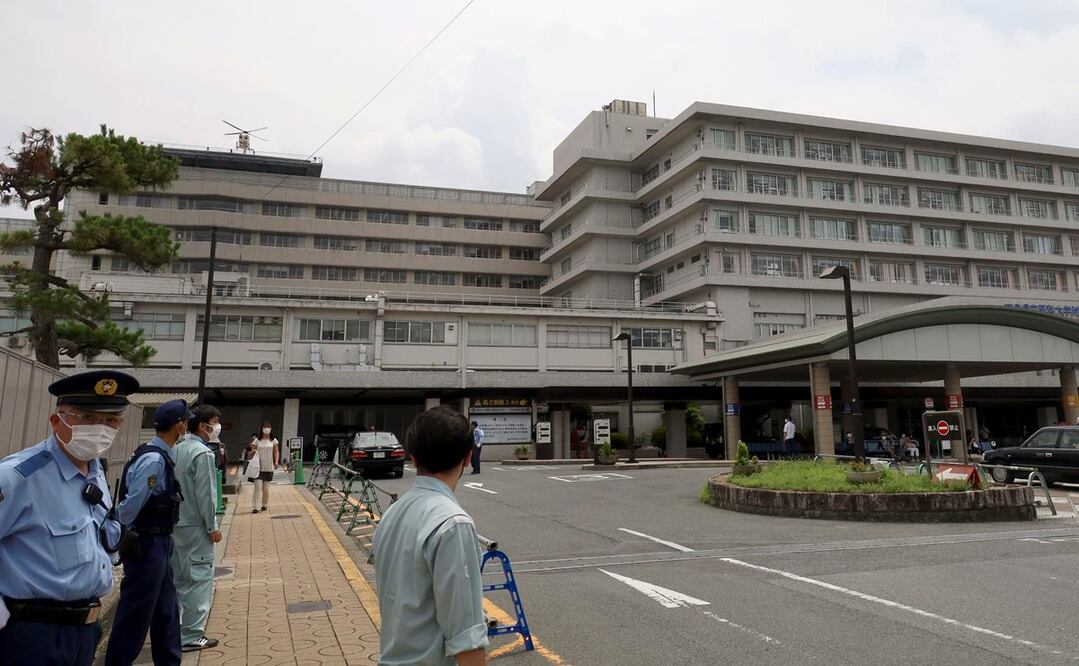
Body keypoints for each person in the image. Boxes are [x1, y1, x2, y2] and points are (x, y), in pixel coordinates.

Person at [0, 370, 137, 666]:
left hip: (85, 630)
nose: (101, 428)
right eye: (88, 418)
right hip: (30, 635)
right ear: (56, 421)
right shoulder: (18, 477)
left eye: (111, 420)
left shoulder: (95, 472)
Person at [373, 406, 488, 665]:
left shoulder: (393, 514)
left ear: (413, 459)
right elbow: (466, 638)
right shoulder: (453, 524)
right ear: (468, 457)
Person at [104, 400, 190, 666]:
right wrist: (117, 535)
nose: (187, 426)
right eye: (186, 422)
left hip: (160, 541)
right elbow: (133, 502)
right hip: (147, 543)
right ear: (178, 426)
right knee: (137, 611)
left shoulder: (157, 453)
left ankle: (169, 660)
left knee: (166, 610)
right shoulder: (154, 459)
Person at [170, 405, 223, 652]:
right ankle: (191, 634)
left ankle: (175, 630)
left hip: (175, 525)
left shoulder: (176, 450)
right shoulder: (203, 454)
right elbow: (207, 495)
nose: (217, 427)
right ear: (203, 426)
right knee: (199, 579)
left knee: (179, 579)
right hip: (196, 526)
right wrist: (212, 525)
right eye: (215, 422)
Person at [250, 421, 279, 513]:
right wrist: (253, 452)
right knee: (257, 487)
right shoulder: (257, 440)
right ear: (262, 428)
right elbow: (251, 452)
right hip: (258, 467)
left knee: (266, 489)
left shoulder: (274, 440)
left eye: (269, 427)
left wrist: (276, 461)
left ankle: (264, 505)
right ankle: (255, 506)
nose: (267, 428)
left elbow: (276, 452)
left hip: (268, 467)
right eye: (265, 427)